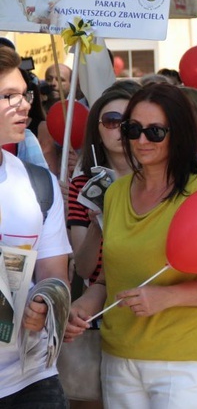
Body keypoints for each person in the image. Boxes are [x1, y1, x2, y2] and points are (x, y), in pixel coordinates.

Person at [65, 84, 197, 408]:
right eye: (133, 129)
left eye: (154, 132)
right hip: (120, 356)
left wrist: (168, 297)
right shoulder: (115, 193)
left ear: (178, 132)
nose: (141, 140)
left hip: (187, 360)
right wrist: (85, 306)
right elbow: (108, 278)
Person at [0, 46, 71, 406]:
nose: (25, 104)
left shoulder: (39, 183)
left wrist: (45, 301)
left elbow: (55, 276)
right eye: (8, 96)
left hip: (31, 380)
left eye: (24, 93)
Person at [68, 85, 139, 284]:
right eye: (112, 121)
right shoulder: (82, 186)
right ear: (97, 131)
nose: (122, 129)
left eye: (130, 122)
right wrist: (96, 226)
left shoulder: (158, 180)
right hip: (101, 302)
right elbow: (83, 269)